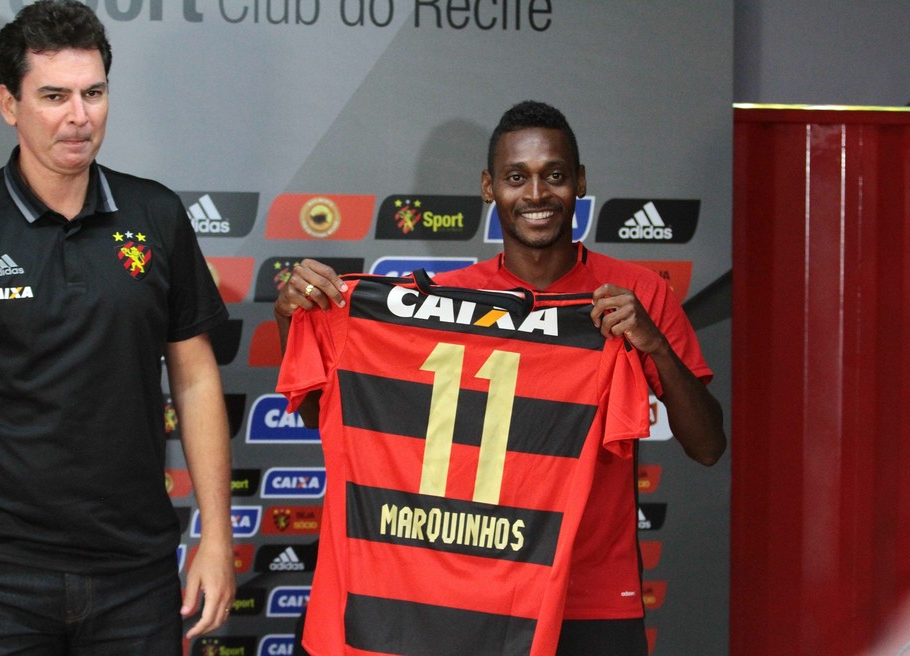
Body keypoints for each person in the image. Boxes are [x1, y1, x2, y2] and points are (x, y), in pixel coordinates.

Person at [274, 100, 725, 655]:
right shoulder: (442, 300)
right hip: (477, 598)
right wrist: (291, 319)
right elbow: (345, 419)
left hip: (593, 597)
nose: (536, 195)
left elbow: (707, 445)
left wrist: (653, 343)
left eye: (554, 176)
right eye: (517, 178)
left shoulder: (637, 295)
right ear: (490, 188)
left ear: (580, 182)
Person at [0, 2, 235, 654]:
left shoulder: (156, 215)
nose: (79, 116)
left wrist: (216, 537)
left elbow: (194, 377)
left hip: (135, 569)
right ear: (8, 104)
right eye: (53, 96)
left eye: (93, 93)